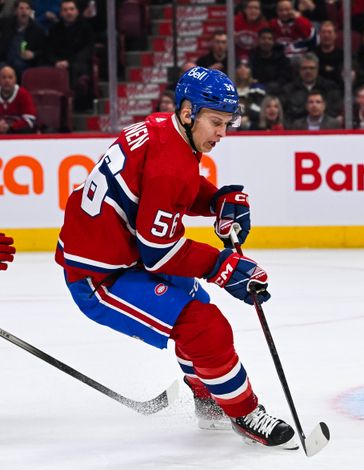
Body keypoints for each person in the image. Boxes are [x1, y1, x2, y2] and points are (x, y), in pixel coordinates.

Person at [54, 66, 297, 449]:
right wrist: (223, 265)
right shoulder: (172, 161)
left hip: (119, 252)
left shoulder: (163, 130)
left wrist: (215, 199)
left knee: (196, 308)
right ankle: (244, 412)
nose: (222, 133)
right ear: (188, 112)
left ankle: (208, 397)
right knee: (205, 325)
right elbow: (160, 253)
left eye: (227, 124)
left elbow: (173, 186)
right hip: (99, 278)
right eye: (216, 122)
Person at [45, 0, 94, 110]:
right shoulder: (54, 29)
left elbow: (87, 49)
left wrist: (69, 62)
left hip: (77, 63)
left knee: (78, 69)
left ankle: (77, 106)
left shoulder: (85, 27)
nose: (69, 12)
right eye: (65, 10)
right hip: (58, 63)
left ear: (77, 11)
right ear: (61, 13)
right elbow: (48, 50)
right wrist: (56, 62)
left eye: (71, 9)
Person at [0, 0, 47, 76]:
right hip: (5, 61)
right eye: (21, 8)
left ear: (30, 12)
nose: (24, 11)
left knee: (20, 68)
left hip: (24, 64)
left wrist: (33, 54)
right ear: (16, 11)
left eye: (27, 8)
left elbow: (44, 50)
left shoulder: (38, 30)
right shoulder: (6, 23)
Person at [0, 65, 36, 133]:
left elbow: (30, 120)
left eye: (10, 77)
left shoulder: (24, 94)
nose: (7, 81)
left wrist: (10, 127)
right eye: (3, 77)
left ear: (15, 79)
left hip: (17, 135)